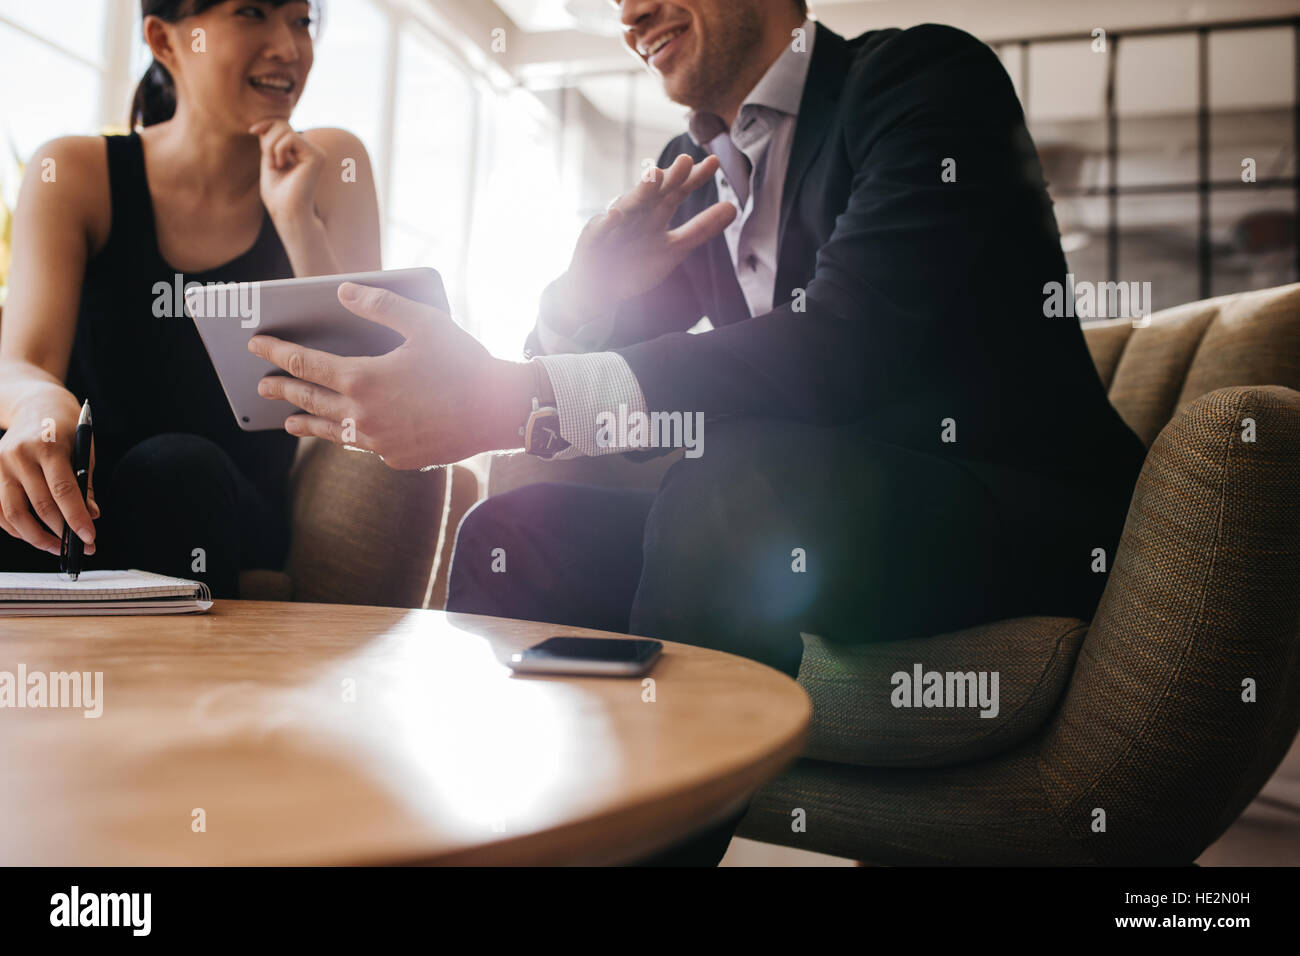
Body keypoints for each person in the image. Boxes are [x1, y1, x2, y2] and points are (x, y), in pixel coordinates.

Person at [248, 0, 1149, 863]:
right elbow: (618, 392)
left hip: (1014, 515)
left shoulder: (924, 78)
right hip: (807, 522)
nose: (629, 14)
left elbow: (850, 343)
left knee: (733, 484)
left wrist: (512, 398)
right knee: (514, 531)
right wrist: (581, 298)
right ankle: (498, 843)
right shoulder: (692, 168)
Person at [0, 0, 380, 597]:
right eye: (252, 13)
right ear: (163, 40)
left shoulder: (332, 164)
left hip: (221, 500)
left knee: (175, 470)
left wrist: (296, 220)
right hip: (87, 496)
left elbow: (367, 376)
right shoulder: (73, 171)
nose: (288, 47)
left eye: (301, 21)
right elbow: (22, 362)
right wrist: (39, 403)